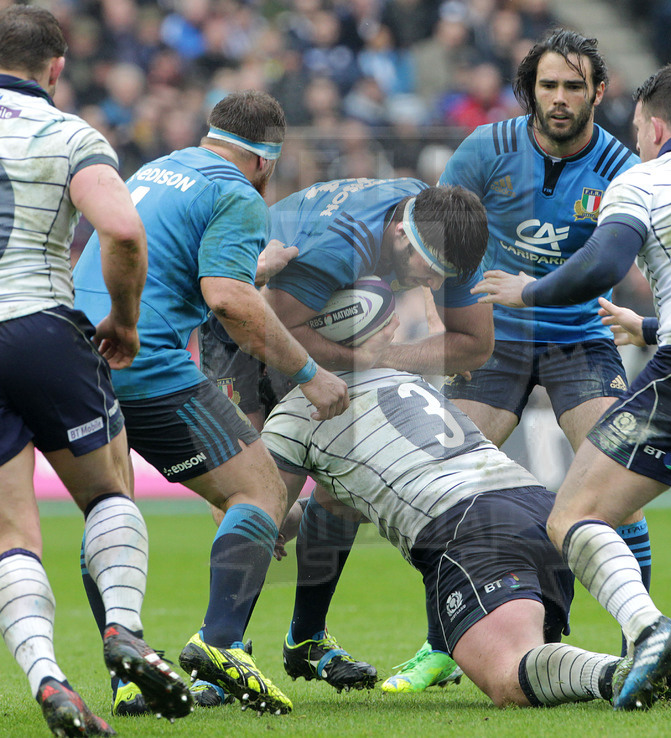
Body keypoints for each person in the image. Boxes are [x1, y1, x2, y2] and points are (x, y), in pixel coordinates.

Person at [474, 62, 671, 710]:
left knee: (573, 514)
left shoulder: (645, 178)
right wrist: (646, 325)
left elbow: (603, 264)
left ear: (653, 127)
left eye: (638, 131)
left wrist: (529, 290)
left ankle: (649, 629)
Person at [384, 27, 650, 694]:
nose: (558, 98)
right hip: (493, 337)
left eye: (572, 87)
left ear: (598, 91)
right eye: (547, 85)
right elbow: (438, 235)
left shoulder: (621, 168)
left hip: (579, 337)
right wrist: (442, 322)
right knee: (442, 486)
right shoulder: (486, 148)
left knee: (619, 489)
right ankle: (440, 645)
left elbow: (631, 258)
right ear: (530, 89)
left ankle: (642, 646)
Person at [73, 89, 350, 718]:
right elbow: (226, 298)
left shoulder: (158, 170)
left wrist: (257, 268)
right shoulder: (239, 193)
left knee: (109, 509)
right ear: (266, 161)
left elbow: (176, 264)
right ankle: (220, 645)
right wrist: (310, 374)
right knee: (260, 491)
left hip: (76, 356)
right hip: (144, 359)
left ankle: (128, 676)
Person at [261, 364, 671, 709]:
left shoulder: (295, 413)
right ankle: (645, 628)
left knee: (510, 677)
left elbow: (252, 512)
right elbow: (346, 499)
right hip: (535, 506)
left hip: (468, 528)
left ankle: (622, 670)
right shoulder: (395, 379)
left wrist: (265, 518)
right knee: (540, 662)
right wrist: (294, 517)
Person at [199, 176, 492, 695]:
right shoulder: (341, 244)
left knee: (343, 493)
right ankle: (222, 653)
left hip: (319, 331)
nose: (433, 282)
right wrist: (357, 359)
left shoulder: (448, 227)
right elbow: (271, 329)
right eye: (429, 268)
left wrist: (383, 358)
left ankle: (306, 639)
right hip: (245, 328)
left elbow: (475, 343)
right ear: (399, 233)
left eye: (444, 275)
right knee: (253, 494)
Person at [0, 5, 192, 735]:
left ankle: (46, 678)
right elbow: (121, 229)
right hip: (39, 324)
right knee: (110, 489)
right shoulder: (68, 134)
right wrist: (125, 319)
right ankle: (123, 629)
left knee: (11, 533)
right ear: (57, 66)